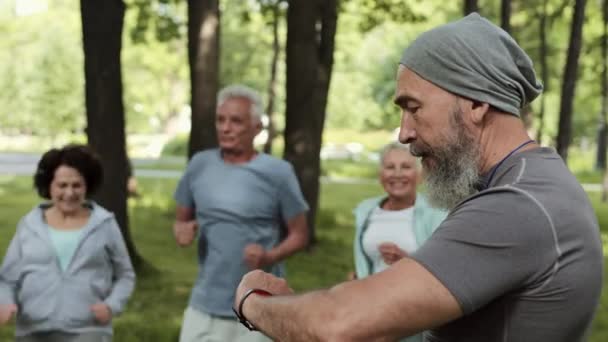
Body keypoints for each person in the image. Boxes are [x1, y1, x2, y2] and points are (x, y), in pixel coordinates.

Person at [231, 13, 603, 342]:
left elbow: (339, 326)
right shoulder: (534, 183)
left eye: (413, 108)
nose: (403, 133)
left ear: (476, 103)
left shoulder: (516, 206)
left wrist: (253, 302)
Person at [172, 84, 309, 342]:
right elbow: (181, 220)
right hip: (205, 305)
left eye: (236, 121)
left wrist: (270, 255)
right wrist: (183, 231)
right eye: (220, 120)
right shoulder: (200, 165)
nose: (225, 128)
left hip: (260, 305)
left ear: (257, 128)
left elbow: (300, 235)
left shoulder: (278, 172)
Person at [0, 144, 135, 342]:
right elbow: (7, 279)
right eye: (62, 185)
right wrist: (5, 302)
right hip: (32, 330)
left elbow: (125, 275)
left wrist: (111, 305)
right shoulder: (29, 224)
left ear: (87, 185)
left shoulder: (104, 224)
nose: (69, 193)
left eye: (76, 185)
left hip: (89, 330)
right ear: (49, 186)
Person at [353, 142, 446, 342]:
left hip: (415, 314)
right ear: (381, 174)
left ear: (419, 175)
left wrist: (408, 260)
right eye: (390, 167)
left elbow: (446, 268)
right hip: (369, 309)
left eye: (405, 167)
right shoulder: (366, 210)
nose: (397, 174)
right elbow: (365, 261)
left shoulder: (436, 214)